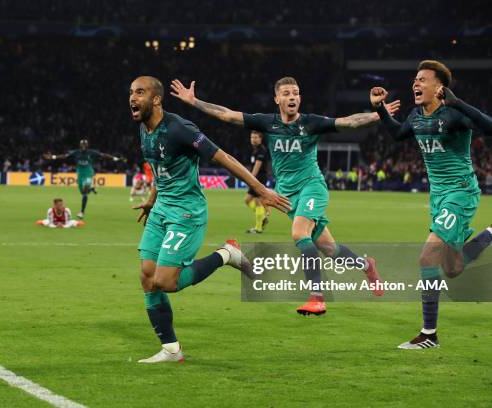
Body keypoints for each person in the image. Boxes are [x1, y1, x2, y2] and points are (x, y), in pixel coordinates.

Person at [170, 77, 399, 315]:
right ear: (277, 99)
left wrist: (378, 113)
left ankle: (317, 297)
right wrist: (194, 101)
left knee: (299, 233)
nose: (292, 97)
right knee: (330, 249)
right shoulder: (267, 123)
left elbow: (349, 123)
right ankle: (366, 265)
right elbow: (228, 115)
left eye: (296, 93)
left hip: (312, 187)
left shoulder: (312, 123)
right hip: (288, 196)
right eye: (287, 93)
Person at [130, 76, 291, 363]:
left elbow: (223, 156)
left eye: (140, 92)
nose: (133, 97)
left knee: (166, 282)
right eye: (131, 92)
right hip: (162, 208)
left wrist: (261, 190)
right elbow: (158, 165)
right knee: (146, 276)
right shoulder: (145, 129)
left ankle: (227, 254)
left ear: (156, 99)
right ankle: (171, 349)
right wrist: (152, 200)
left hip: (186, 212)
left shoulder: (179, 128)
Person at [370, 60, 492, 349]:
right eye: (415, 79)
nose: (416, 84)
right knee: (453, 268)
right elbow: (398, 134)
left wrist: (458, 102)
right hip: (438, 197)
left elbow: (489, 127)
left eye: (423, 79)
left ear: (440, 88)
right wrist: (379, 109)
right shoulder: (416, 116)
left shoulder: (454, 115)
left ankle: (429, 335)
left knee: (427, 257)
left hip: (460, 193)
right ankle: (489, 234)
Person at [44, 139, 125, 219]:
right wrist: (53, 157)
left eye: (85, 144)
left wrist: (116, 158)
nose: (83, 146)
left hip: (88, 173)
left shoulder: (91, 152)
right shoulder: (76, 152)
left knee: (85, 191)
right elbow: (64, 156)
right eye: (82, 144)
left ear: (87, 145)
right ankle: (92, 188)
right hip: (80, 174)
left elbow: (103, 155)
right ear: (80, 145)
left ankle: (82, 212)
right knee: (83, 193)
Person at [245, 130, 270, 233]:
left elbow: (257, 165)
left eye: (256, 138)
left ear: (260, 139)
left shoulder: (261, 150)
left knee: (257, 201)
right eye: (252, 137)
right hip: (257, 178)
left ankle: (258, 228)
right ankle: (263, 216)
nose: (253, 140)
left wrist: (251, 178)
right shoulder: (255, 150)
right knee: (247, 200)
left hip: (259, 178)